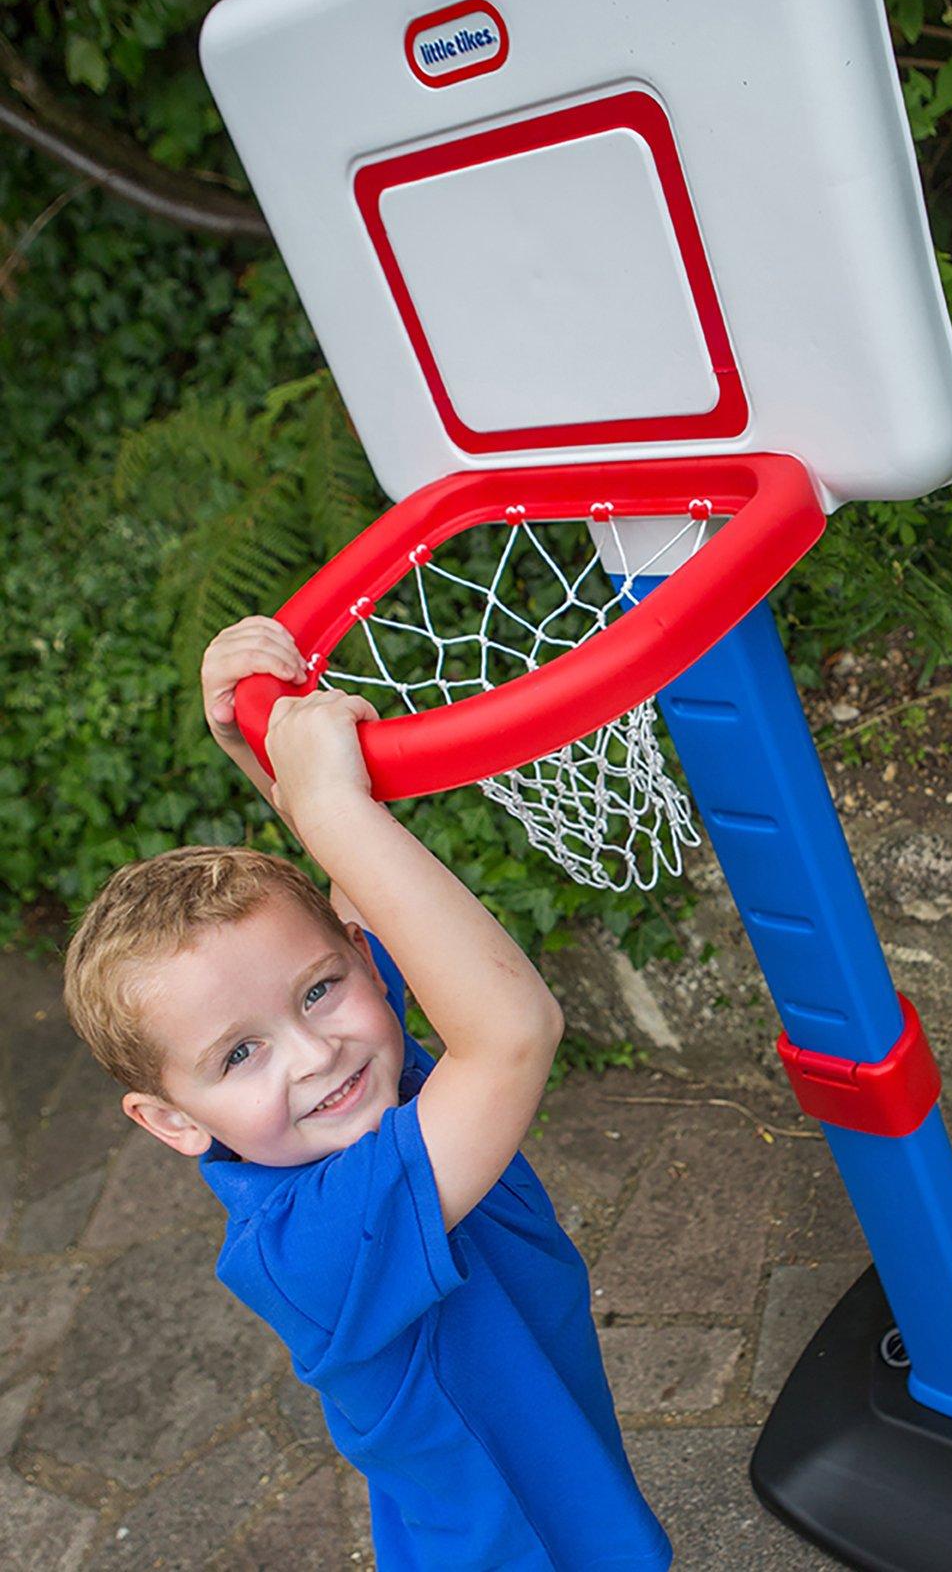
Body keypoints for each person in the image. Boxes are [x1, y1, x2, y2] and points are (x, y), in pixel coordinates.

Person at [63, 616, 672, 1571]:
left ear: (359, 961)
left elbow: (343, 906)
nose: (314, 1052)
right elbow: (516, 1034)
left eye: (319, 990)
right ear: (170, 1121)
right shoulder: (309, 1244)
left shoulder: (372, 1084)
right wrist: (333, 807)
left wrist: (257, 749)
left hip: (561, 1496)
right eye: (238, 1056)